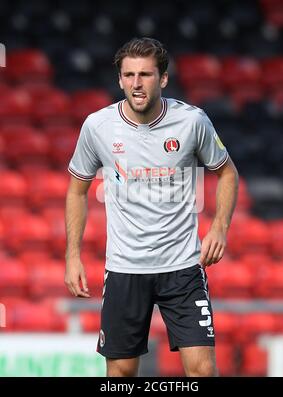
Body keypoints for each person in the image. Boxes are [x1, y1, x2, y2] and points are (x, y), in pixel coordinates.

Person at [65, 37, 239, 377]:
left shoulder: (192, 122)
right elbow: (76, 191)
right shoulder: (97, 126)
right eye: (128, 75)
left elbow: (227, 173)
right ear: (119, 80)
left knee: (202, 370)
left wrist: (219, 226)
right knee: (121, 372)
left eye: (145, 75)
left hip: (183, 266)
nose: (136, 83)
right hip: (125, 268)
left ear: (162, 79)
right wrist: (72, 255)